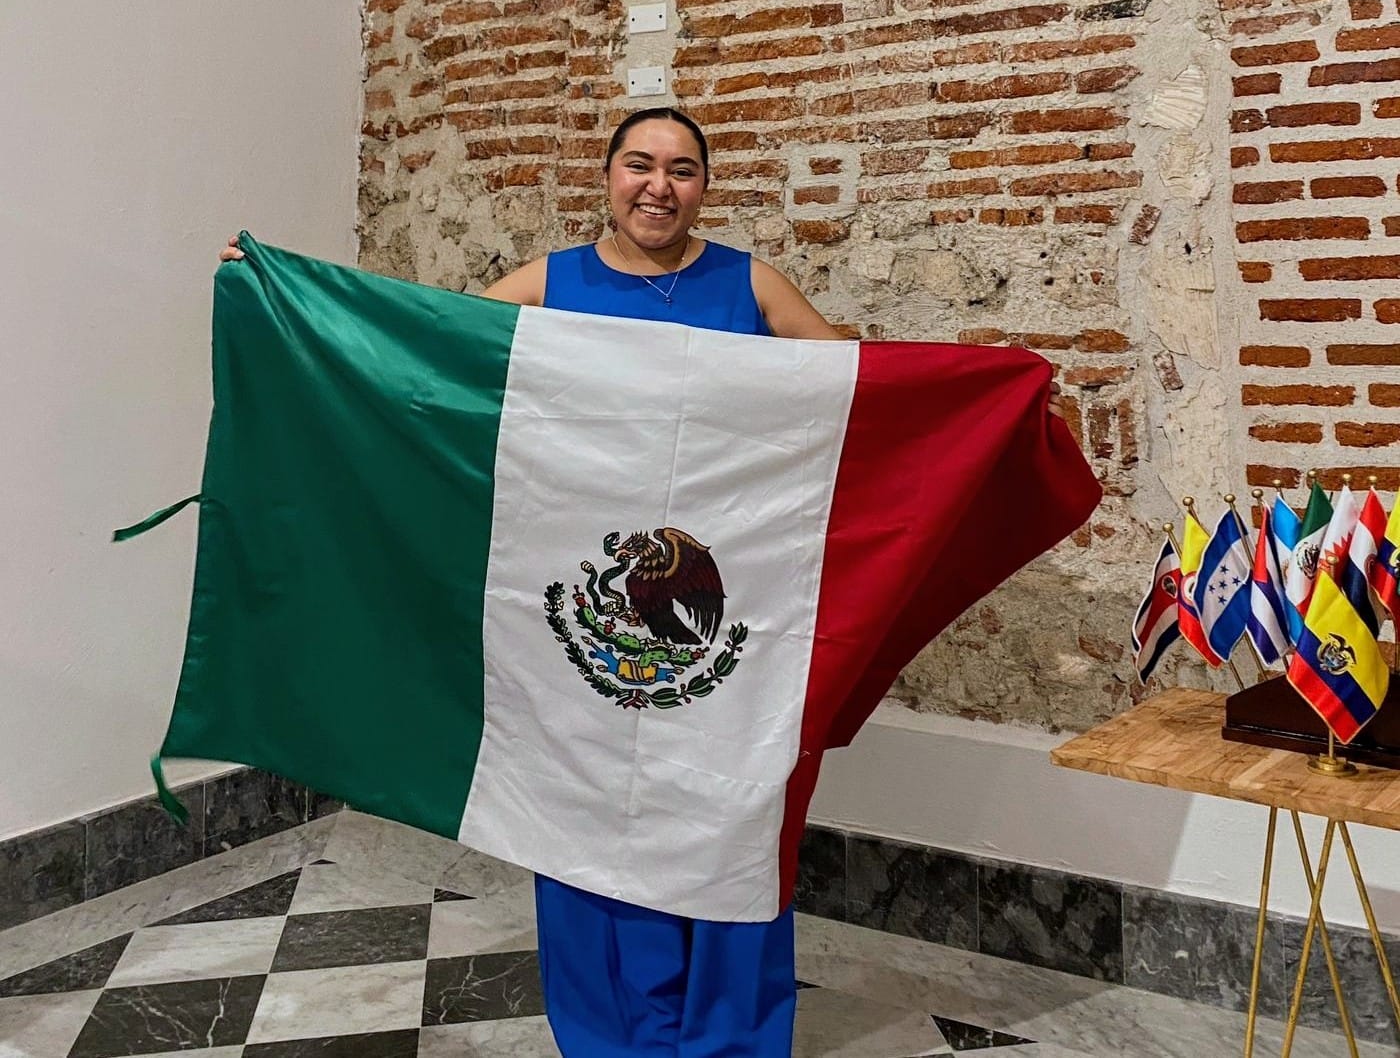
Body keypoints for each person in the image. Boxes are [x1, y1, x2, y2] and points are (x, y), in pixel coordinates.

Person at [222, 105, 1063, 1056]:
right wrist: (286, 299)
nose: (658, 185)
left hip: (728, 616)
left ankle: (727, 1036)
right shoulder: (549, 284)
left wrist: (991, 392)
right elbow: (419, 354)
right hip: (578, 618)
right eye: (639, 164)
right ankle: (611, 1035)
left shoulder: (749, 284)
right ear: (609, 176)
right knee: (583, 819)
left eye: (682, 169)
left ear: (705, 185)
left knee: (729, 816)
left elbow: (860, 392)